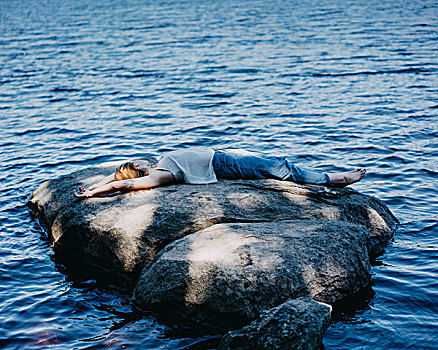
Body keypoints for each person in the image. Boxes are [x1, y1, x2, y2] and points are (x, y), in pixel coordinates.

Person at [74, 148, 366, 199]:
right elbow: (122, 185)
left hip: (225, 155)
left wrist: (93, 185)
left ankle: (328, 177)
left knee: (275, 162)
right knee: (281, 169)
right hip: (223, 165)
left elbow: (115, 178)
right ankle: (336, 179)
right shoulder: (159, 174)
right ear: (136, 168)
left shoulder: (161, 163)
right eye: (135, 162)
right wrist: (96, 192)